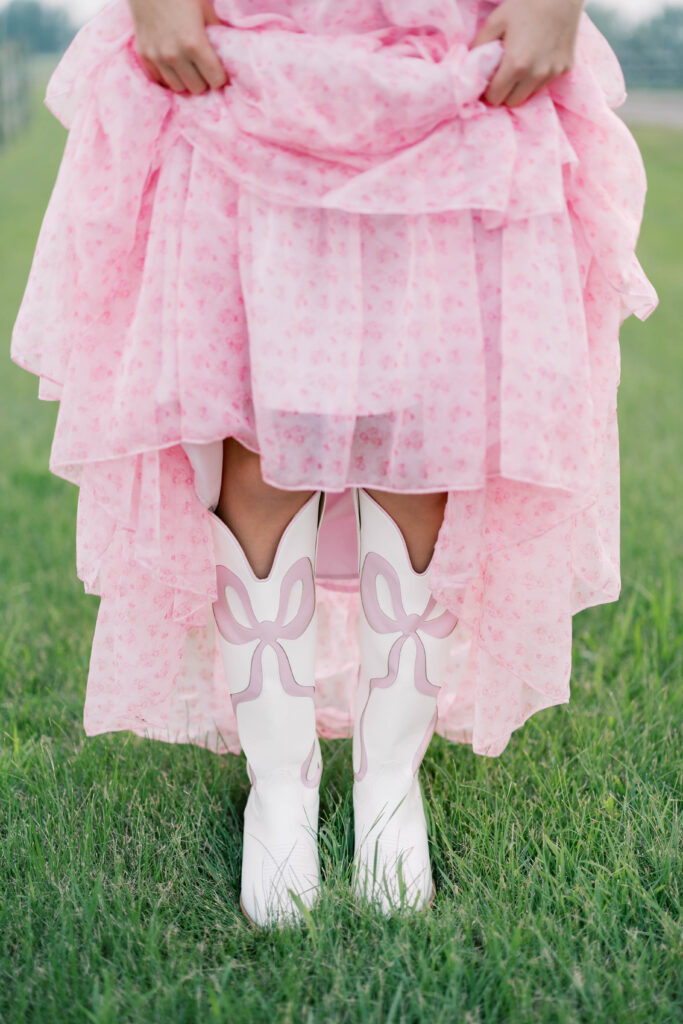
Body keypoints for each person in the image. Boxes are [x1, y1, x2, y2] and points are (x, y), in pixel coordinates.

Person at [10, 0, 657, 928]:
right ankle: (284, 779)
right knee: (258, 418)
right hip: (256, 45)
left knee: (425, 412)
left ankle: (389, 779)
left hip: (443, 52)